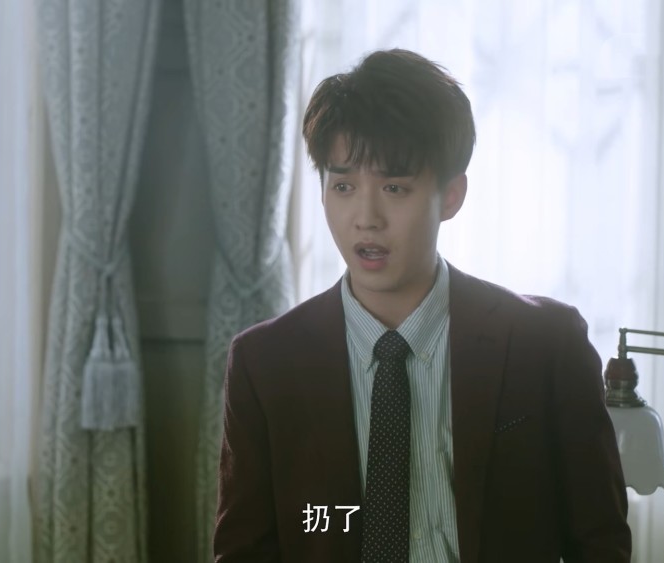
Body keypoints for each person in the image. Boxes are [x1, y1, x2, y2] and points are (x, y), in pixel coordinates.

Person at [213, 48, 630, 562]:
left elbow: (600, 542)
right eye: (343, 185)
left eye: (394, 187)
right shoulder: (265, 363)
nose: (366, 217)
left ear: (450, 196)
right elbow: (246, 552)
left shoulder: (545, 344)